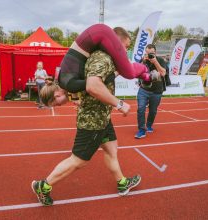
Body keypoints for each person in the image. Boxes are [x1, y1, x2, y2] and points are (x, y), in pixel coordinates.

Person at [31, 48, 142, 206]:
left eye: (56, 104)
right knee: (78, 161)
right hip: (92, 124)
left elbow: (93, 84)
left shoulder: (69, 84)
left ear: (56, 95)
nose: (60, 105)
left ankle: (122, 183)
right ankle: (43, 186)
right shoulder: (69, 85)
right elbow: (92, 87)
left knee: (111, 150)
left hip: (103, 119)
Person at [59, 24, 159, 93]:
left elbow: (98, 81)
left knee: (129, 72)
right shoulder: (66, 82)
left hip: (99, 32)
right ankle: (146, 71)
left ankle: (145, 71)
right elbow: (97, 82)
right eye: (127, 46)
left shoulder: (69, 84)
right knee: (129, 72)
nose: (125, 50)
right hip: (98, 32)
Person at [135, 44, 166, 139]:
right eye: (147, 53)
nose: (149, 55)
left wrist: (155, 62)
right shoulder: (143, 60)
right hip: (144, 89)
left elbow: (163, 73)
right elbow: (136, 72)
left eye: (151, 53)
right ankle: (141, 130)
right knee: (140, 109)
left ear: (155, 52)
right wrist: (143, 62)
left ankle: (148, 125)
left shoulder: (160, 60)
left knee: (153, 111)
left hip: (156, 91)